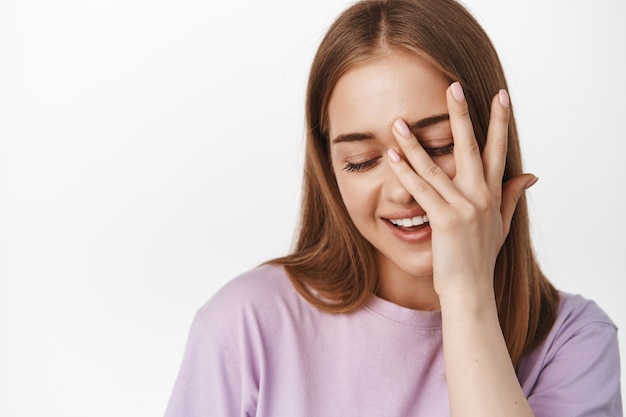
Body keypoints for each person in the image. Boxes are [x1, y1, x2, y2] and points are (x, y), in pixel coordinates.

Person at [164, 0, 622, 415]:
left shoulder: (573, 340)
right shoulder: (243, 325)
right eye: (361, 162)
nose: (404, 190)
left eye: (437, 146)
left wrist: (466, 292)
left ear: (493, 145)